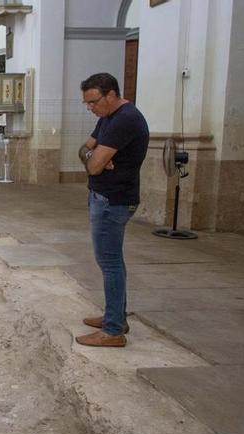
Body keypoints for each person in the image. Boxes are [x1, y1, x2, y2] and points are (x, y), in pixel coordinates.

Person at [76, 73, 149, 348]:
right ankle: (115, 316)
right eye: (87, 103)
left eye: (93, 101)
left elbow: (94, 165)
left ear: (110, 94)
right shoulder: (107, 118)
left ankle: (113, 330)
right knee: (111, 261)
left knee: (110, 264)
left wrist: (94, 160)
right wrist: (91, 156)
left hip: (114, 200)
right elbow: (84, 151)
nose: (90, 108)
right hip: (103, 197)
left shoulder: (125, 119)